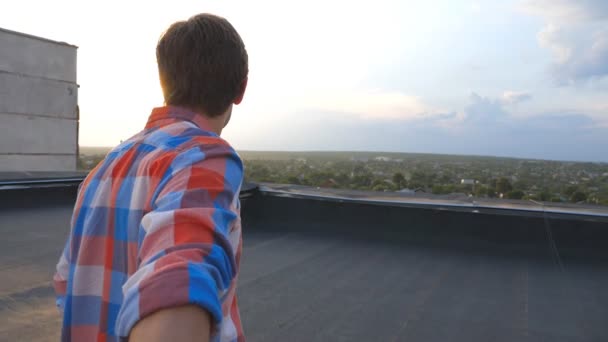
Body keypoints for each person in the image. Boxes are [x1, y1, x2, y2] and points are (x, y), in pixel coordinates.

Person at [53, 13, 248, 342]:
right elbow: (182, 273)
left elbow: (65, 282)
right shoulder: (205, 157)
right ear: (240, 88)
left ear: (164, 81)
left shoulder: (102, 171)